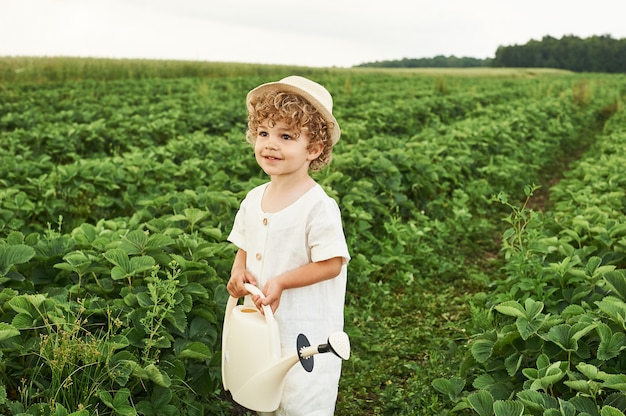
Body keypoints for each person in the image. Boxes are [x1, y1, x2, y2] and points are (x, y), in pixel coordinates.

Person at [226, 75, 350, 416]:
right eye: (263, 133)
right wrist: (238, 273)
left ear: (314, 149)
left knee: (301, 399)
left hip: (305, 330)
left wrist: (282, 281)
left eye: (286, 136)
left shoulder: (318, 206)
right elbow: (245, 245)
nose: (270, 144)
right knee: (263, 392)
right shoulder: (254, 199)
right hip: (263, 325)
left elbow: (331, 264)